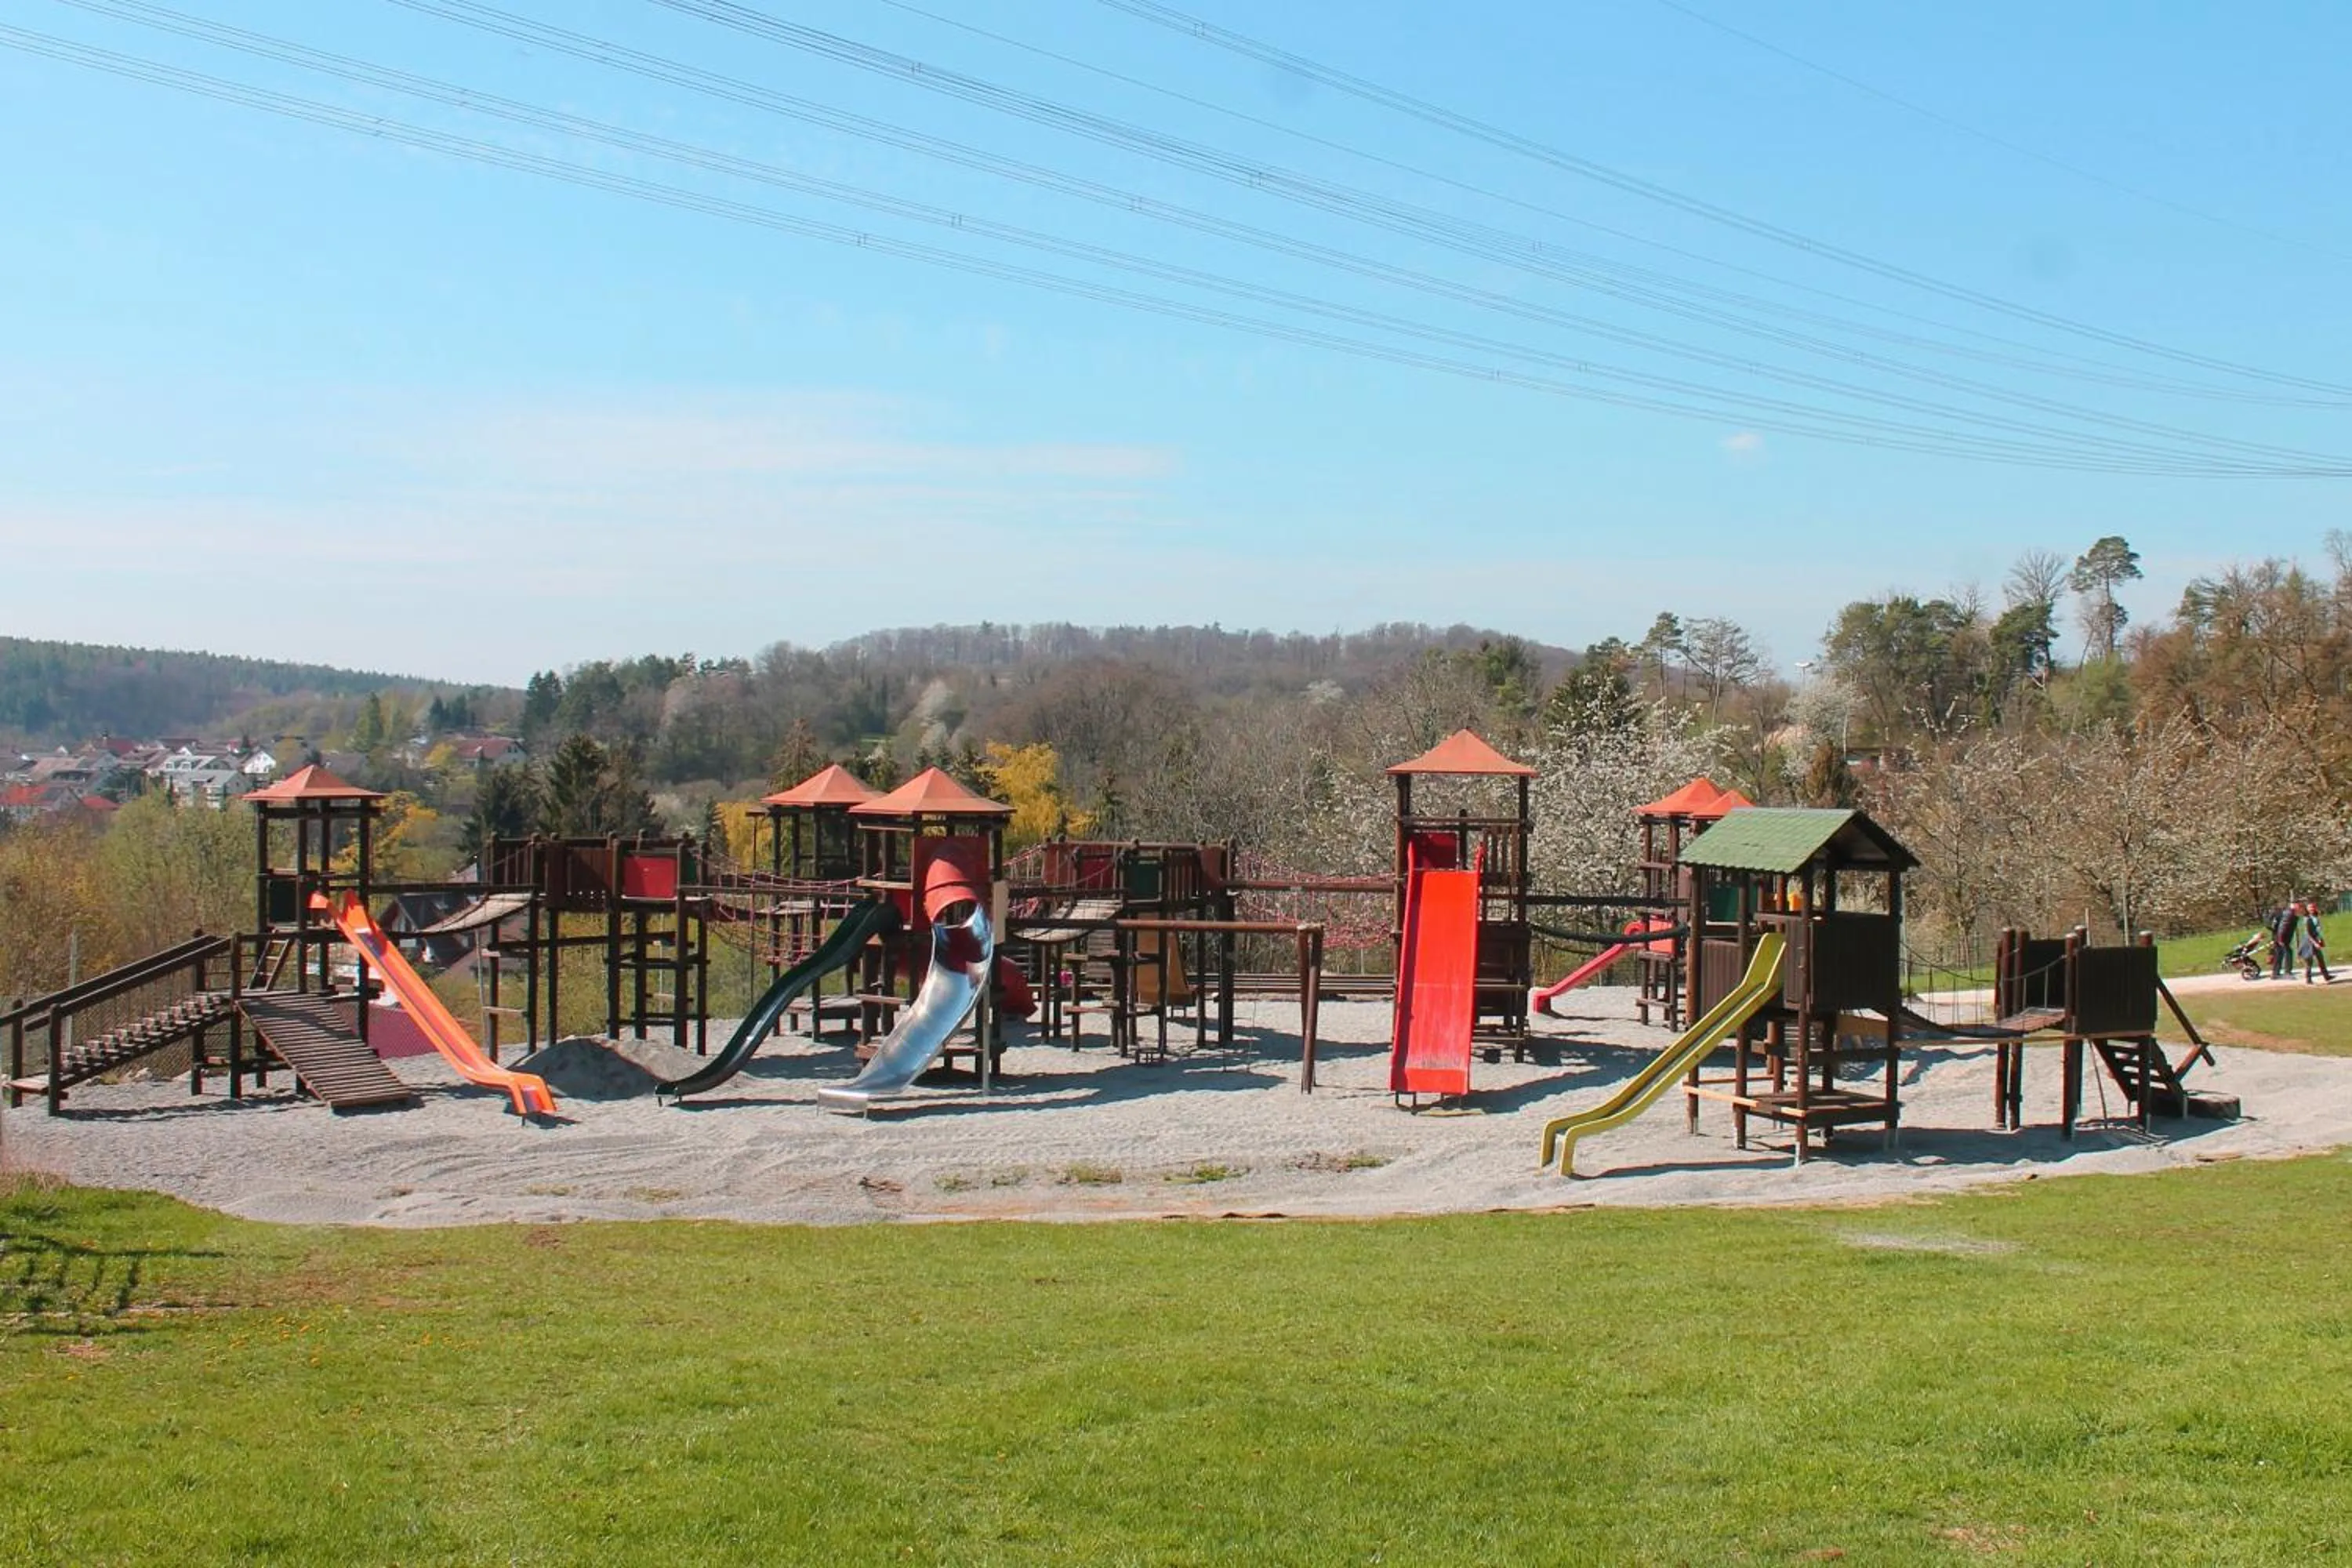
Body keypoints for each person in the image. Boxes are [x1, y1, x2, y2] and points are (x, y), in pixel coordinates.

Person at [2299, 900, 2333, 985]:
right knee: (2309, 961)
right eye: (2310, 907)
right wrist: (2315, 943)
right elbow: (2308, 933)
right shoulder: (2307, 919)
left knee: (2320, 959)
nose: (2312, 909)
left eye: (2314, 907)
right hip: (2308, 941)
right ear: (2307, 909)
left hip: (2315, 939)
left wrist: (2320, 940)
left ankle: (2326, 976)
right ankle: (2308, 980)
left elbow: (2317, 930)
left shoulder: (2316, 917)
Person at [2270, 900, 2299, 980]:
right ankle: (2287, 972)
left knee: (2279, 954)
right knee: (2287, 953)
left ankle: (2275, 973)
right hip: (2282, 938)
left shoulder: (2290, 913)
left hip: (2282, 938)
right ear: (2293, 905)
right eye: (2297, 905)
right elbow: (2283, 927)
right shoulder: (2289, 914)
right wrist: (2280, 939)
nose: (2299, 907)